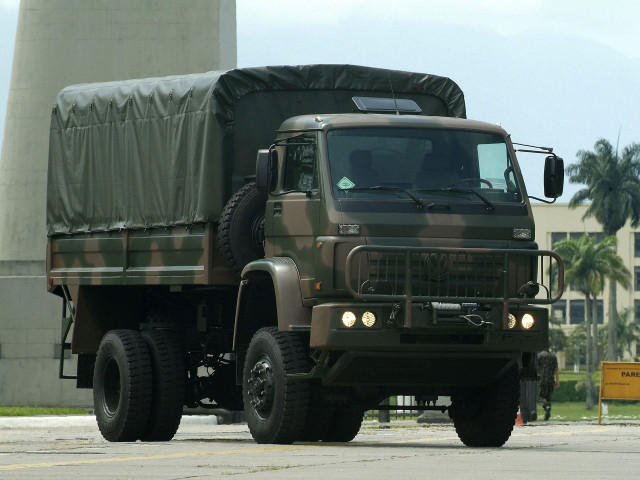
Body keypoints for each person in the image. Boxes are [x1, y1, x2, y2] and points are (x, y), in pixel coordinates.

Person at [537, 348, 560, 420]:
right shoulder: (553, 357)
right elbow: (556, 370)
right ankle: (547, 414)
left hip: (543, 380)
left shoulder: (540, 356)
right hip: (551, 380)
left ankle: (546, 406)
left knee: (541, 398)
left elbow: (537, 368)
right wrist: (557, 381)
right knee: (548, 398)